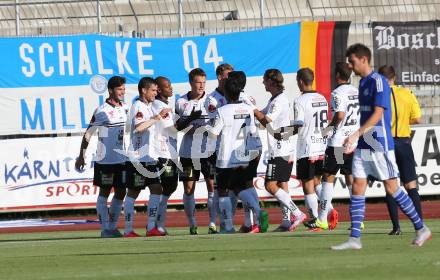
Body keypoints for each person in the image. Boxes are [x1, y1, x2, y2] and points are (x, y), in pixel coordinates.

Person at [331, 43, 431, 250]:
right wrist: (354, 137)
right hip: (364, 144)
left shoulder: (378, 82)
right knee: (358, 185)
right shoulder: (363, 83)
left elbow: (378, 114)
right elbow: (365, 115)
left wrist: (356, 133)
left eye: (352, 61)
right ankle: (355, 238)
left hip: (380, 144)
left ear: (364, 59)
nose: (350, 65)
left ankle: (421, 228)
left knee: (392, 187)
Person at [205, 71, 268, 233]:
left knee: (223, 190)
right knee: (241, 188)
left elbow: (213, 134)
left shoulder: (222, 111)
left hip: (225, 157)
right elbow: (253, 131)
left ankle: (228, 226)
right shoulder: (248, 109)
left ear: (225, 93)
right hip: (244, 155)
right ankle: (258, 212)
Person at [248, 69, 306, 231]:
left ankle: (297, 213)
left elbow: (266, 120)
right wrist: (252, 109)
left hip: (280, 149)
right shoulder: (275, 99)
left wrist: (252, 108)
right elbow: (261, 116)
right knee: (282, 184)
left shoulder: (279, 101)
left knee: (269, 185)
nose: (263, 83)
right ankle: (287, 221)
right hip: (283, 148)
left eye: (265, 80)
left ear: (272, 82)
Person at [75, 76, 128, 238]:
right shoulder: (102, 110)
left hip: (122, 159)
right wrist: (81, 155)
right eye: (119, 89)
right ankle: (105, 229)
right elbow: (88, 134)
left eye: (124, 89)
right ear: (111, 90)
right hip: (105, 160)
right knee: (104, 193)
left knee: (121, 193)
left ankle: (112, 227)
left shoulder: (126, 108)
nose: (122, 92)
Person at [378, 65, 424, 236]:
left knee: (391, 185)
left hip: (387, 143)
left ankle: (396, 227)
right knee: (411, 185)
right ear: (394, 77)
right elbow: (417, 119)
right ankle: (419, 225)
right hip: (404, 142)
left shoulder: (379, 96)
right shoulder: (408, 94)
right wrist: (403, 120)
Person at [124, 77, 171, 237]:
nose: (156, 93)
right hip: (138, 158)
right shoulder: (138, 106)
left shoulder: (148, 106)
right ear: (143, 90)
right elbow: (140, 127)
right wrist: (157, 117)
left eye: (157, 90)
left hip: (149, 158)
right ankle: (128, 229)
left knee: (156, 188)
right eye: (153, 90)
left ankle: (151, 227)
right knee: (133, 192)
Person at [175, 68, 217, 235]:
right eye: (198, 82)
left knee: (212, 186)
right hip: (188, 152)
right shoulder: (180, 102)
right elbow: (177, 127)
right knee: (188, 189)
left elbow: (216, 125)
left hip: (208, 151)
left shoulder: (212, 100)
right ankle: (192, 224)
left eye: (204, 82)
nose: (201, 86)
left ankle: (213, 223)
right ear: (191, 83)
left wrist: (203, 129)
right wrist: (190, 123)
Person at [318, 62, 360, 230]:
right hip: (352, 142)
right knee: (350, 177)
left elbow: (340, 115)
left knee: (328, 177)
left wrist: (327, 130)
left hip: (337, 143)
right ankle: (358, 219)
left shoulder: (337, 93)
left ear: (337, 75)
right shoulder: (356, 91)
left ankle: (321, 219)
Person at [205, 63, 234, 233]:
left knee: (235, 187)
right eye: (227, 75)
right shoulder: (212, 99)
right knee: (219, 188)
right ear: (220, 77)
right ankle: (219, 222)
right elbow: (216, 123)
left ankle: (237, 221)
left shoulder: (237, 96)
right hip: (219, 149)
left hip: (234, 149)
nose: (230, 79)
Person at [152, 76, 180, 235]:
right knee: (167, 186)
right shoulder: (158, 105)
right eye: (168, 86)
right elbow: (171, 129)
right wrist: (189, 119)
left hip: (170, 151)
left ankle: (157, 223)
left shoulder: (164, 105)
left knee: (170, 187)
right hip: (162, 152)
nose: (171, 88)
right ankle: (157, 224)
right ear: (160, 90)